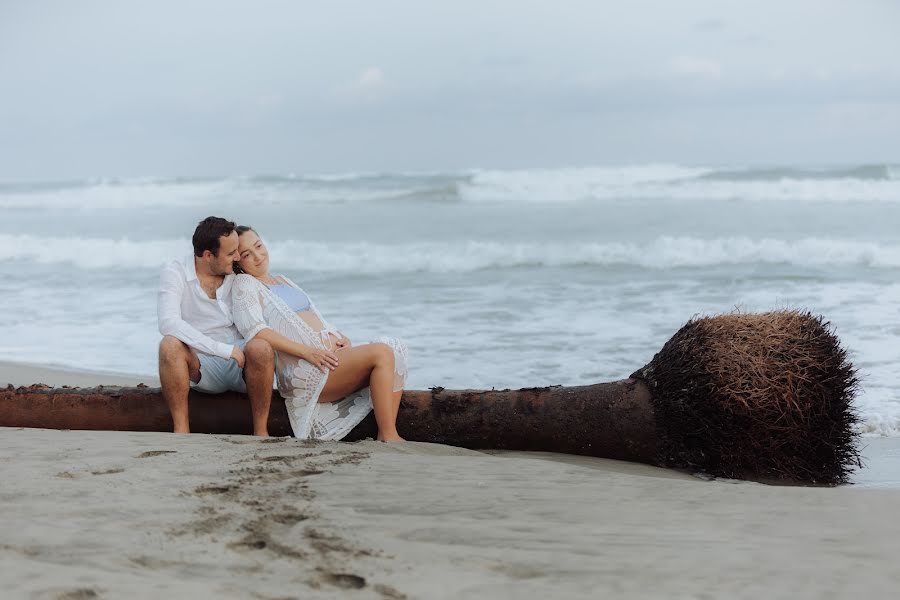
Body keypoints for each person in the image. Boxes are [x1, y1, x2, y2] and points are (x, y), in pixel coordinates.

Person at [231, 225, 408, 442]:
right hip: (308, 370)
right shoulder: (245, 284)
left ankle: (384, 432)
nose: (258, 256)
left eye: (259, 246)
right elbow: (256, 331)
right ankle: (390, 435)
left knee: (395, 347)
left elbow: (315, 319)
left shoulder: (283, 280)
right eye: (247, 254)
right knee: (381, 352)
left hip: (327, 358)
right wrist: (308, 352)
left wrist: (340, 336)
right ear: (237, 262)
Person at [157, 217, 276, 436]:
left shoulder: (237, 270)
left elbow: (275, 302)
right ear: (208, 255)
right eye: (231, 253)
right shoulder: (175, 272)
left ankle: (261, 432)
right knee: (169, 345)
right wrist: (224, 350)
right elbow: (168, 322)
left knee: (261, 347)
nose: (238, 257)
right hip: (201, 365)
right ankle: (181, 430)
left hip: (243, 363)